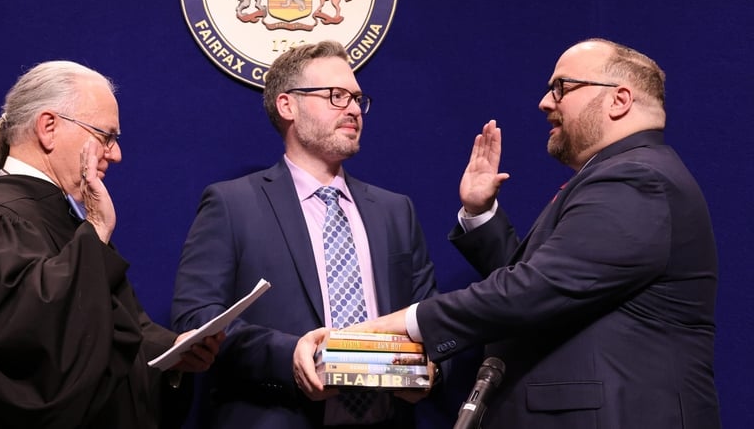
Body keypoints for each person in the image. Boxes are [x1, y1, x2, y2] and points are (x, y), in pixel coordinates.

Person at [294, 38, 721, 428]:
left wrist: (386, 328)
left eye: (561, 88)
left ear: (619, 100)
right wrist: (481, 213)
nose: (543, 102)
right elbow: (555, 289)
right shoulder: (621, 175)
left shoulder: (635, 179)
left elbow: (533, 291)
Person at [0, 60, 225, 429]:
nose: (115, 153)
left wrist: (171, 352)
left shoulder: (61, 218)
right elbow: (27, 352)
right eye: (105, 136)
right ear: (48, 127)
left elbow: (109, 327)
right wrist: (94, 231)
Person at [171, 40, 441, 428]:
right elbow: (196, 319)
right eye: (336, 96)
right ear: (287, 106)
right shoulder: (232, 204)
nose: (352, 109)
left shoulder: (396, 211)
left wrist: (434, 369)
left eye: (357, 98)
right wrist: (288, 355)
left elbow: (428, 315)